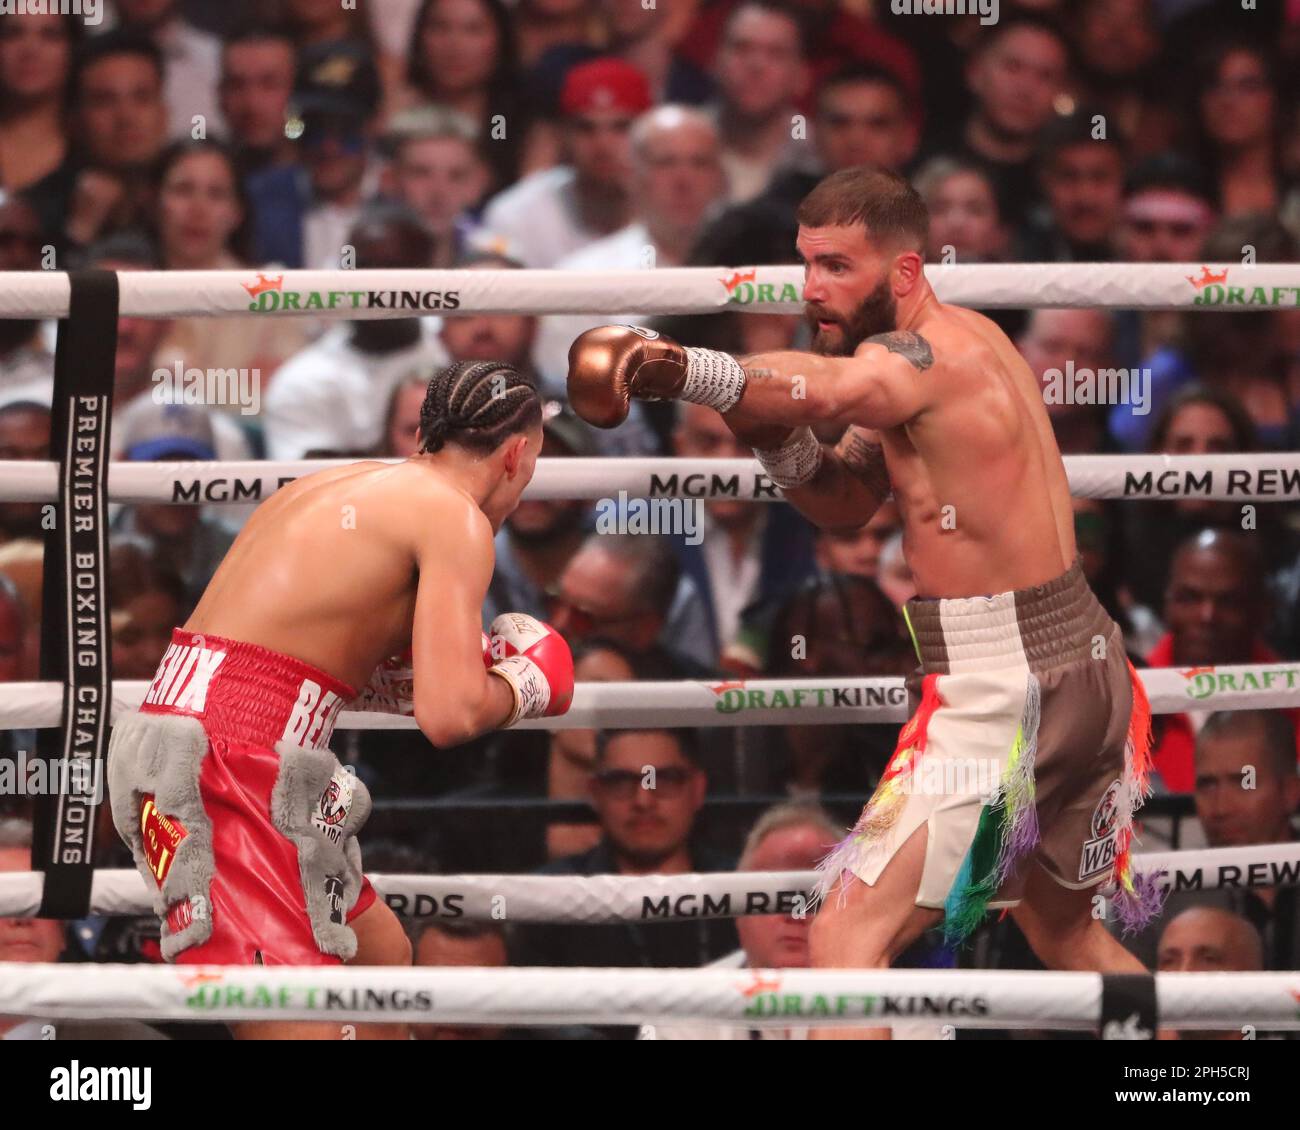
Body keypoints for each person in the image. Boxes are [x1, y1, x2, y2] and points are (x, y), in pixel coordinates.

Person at [566, 165, 1158, 1038]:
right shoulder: (970, 345)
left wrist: (681, 368)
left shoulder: (910, 358)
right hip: (1086, 666)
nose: (813, 290)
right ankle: (1202, 1086)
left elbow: (836, 388)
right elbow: (846, 498)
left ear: (906, 271)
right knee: (1066, 932)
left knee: (844, 932)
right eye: (807, 264)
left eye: (838, 266)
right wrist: (769, 432)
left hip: (1008, 687)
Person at [106, 360, 575, 1041]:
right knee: (301, 1029)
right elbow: (448, 716)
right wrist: (526, 684)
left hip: (213, 744)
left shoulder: (343, 483)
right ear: (515, 454)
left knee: (379, 961)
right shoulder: (455, 521)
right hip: (225, 766)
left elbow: (335, 666)